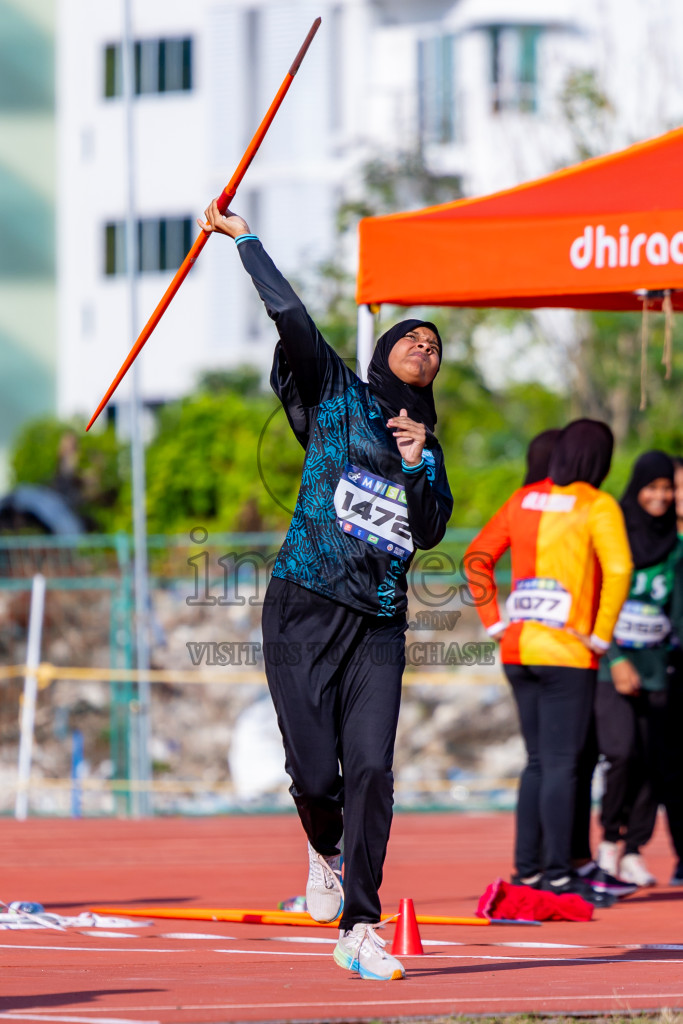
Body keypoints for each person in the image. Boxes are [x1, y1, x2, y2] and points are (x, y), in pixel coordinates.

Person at [199, 201, 453, 980]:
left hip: (378, 622)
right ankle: (322, 849)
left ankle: (360, 925)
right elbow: (293, 319)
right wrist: (245, 240)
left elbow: (433, 529)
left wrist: (416, 462)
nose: (424, 344)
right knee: (316, 776)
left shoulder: (427, 448)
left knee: (371, 768)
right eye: (411, 336)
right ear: (383, 354)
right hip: (305, 602)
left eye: (435, 345)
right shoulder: (339, 397)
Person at [464, 419, 632, 904]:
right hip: (567, 652)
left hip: (518, 649)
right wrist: (600, 636)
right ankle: (560, 876)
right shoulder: (596, 504)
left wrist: (495, 623)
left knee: (538, 762)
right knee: (563, 764)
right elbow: (619, 568)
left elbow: (477, 555)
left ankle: (531, 871)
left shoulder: (524, 498)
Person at [595, 451, 683, 887]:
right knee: (623, 752)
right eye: (653, 487)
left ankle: (634, 849)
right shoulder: (617, 535)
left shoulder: (676, 545)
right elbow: (599, 600)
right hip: (615, 664)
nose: (661, 496)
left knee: (652, 760)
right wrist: (616, 658)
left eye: (668, 488)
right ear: (637, 489)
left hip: (658, 666)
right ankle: (610, 841)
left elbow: (677, 611)